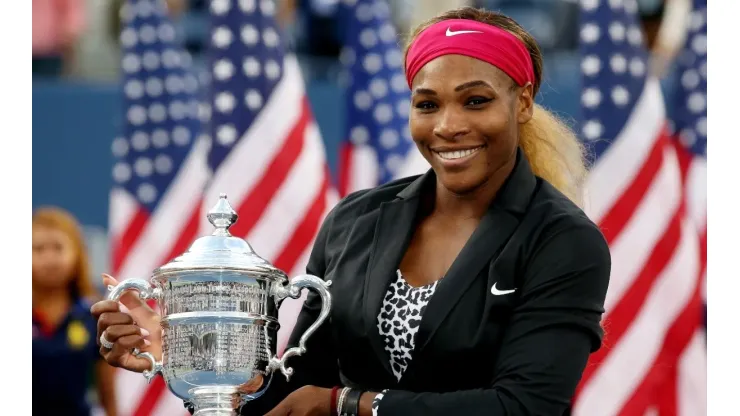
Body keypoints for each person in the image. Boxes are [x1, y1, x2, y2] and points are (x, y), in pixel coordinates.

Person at [91, 7, 611, 416]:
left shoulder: (564, 240)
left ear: (521, 103)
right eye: (427, 104)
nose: (448, 125)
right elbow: (293, 391)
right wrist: (194, 355)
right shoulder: (357, 219)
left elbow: (523, 407)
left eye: (475, 101)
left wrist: (350, 404)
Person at [33, 207, 117, 415]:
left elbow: (107, 389)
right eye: (38, 249)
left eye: (58, 248)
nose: (49, 258)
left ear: (77, 254)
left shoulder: (95, 314)